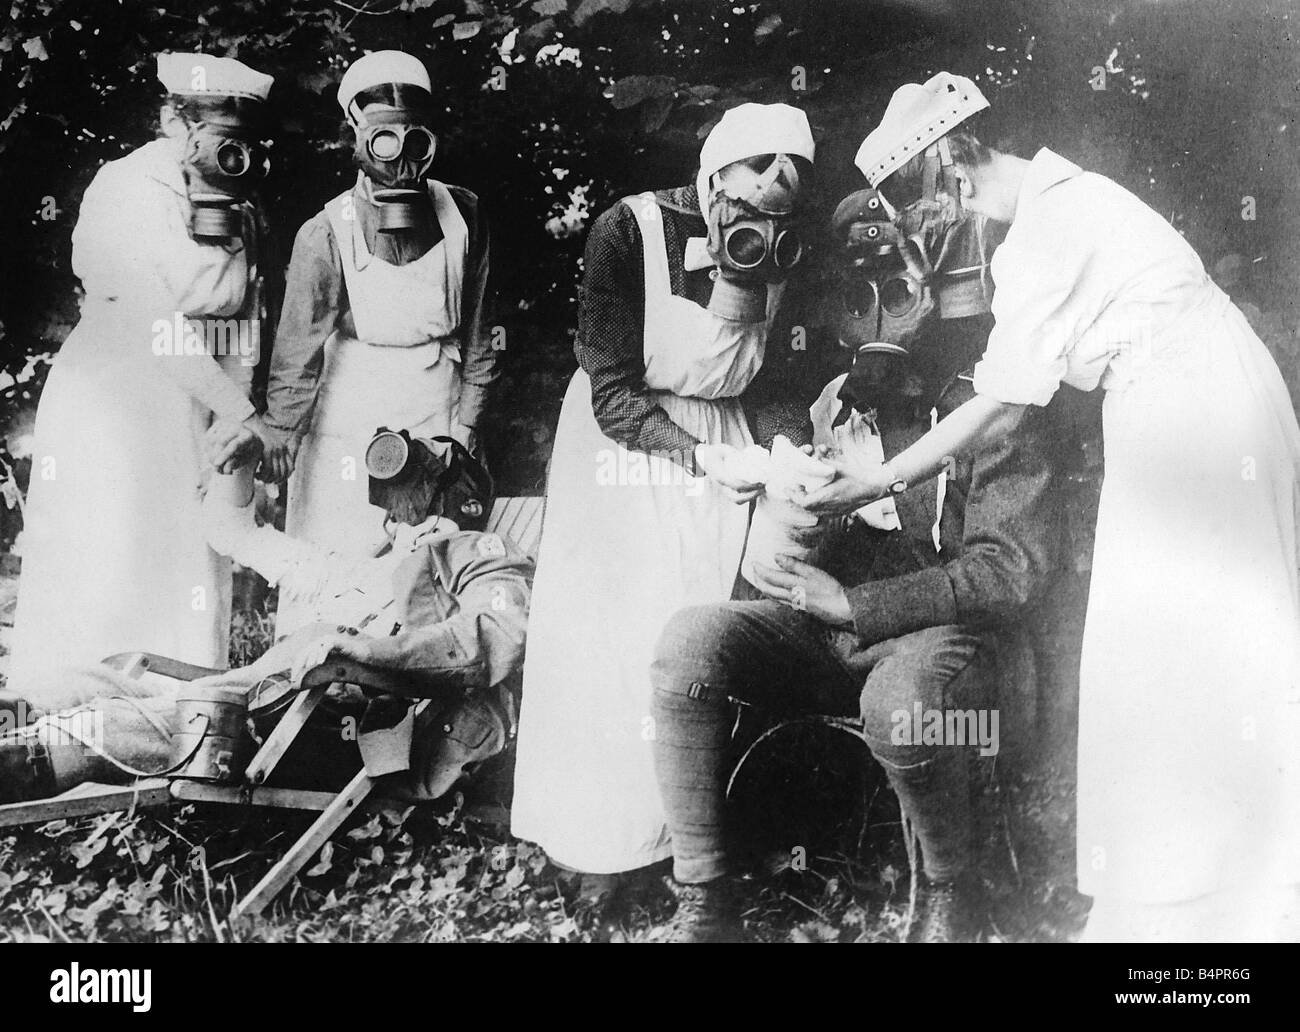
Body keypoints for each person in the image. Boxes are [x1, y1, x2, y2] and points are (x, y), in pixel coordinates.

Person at [802, 72, 1300, 942]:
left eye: (922, 201)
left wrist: (876, 483)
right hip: (1174, 403)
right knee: (1172, 639)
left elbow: (999, 399)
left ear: (955, 161)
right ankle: (1190, 882)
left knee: (1199, 634)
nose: (923, 231)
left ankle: (1229, 893)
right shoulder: (1050, 211)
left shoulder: (1052, 225)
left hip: (1199, 416)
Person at [648, 187, 1064, 942]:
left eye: (898, 289)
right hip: (834, 635)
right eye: (858, 291)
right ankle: (705, 899)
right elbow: (782, 556)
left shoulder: (993, 403)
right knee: (690, 644)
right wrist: (784, 530)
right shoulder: (825, 402)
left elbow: (1011, 572)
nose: (875, 312)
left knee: (900, 702)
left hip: (952, 644)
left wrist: (856, 607)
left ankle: (951, 887)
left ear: (942, 291)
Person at [510, 104, 819, 912]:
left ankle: (694, 852)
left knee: (696, 637)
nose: (756, 225)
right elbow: (611, 388)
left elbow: (778, 381)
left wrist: (784, 446)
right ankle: (601, 853)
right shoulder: (628, 231)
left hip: (727, 447)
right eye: (745, 207)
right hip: (626, 452)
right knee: (610, 646)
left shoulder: (785, 243)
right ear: (714, 182)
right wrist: (702, 455)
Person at [0, 433, 530, 805]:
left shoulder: (483, 552)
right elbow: (236, 535)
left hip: (339, 725)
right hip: (261, 704)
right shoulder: (356, 572)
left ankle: (16, 765)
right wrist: (244, 463)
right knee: (85, 684)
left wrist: (361, 656)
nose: (401, 514)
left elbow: (489, 637)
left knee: (114, 725)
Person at [9, 54, 277, 696]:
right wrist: (239, 412)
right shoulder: (124, 188)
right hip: (116, 400)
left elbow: (246, 317)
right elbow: (153, 322)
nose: (223, 146)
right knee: (113, 552)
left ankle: (175, 737)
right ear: (171, 120)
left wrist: (231, 413)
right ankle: (77, 734)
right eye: (209, 126)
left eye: (238, 133)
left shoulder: (239, 206)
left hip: (193, 405)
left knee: (184, 561)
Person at [259, 50, 495, 637]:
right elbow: (298, 352)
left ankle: (416, 700)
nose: (402, 160)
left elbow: (483, 332)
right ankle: (314, 688)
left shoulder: (464, 214)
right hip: (349, 410)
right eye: (383, 139)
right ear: (356, 138)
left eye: (414, 138)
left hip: (435, 400)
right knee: (338, 559)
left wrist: (466, 426)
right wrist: (282, 435)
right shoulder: (326, 231)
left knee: (425, 562)